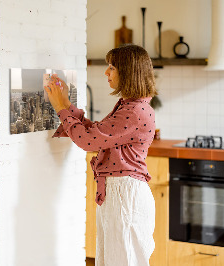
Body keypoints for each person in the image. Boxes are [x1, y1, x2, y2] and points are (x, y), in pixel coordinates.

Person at [45, 44, 157, 266]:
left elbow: (88, 141)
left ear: (128, 72)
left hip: (125, 195)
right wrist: (66, 104)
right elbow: (96, 133)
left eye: (112, 67)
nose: (106, 72)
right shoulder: (130, 106)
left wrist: (60, 107)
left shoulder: (134, 111)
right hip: (120, 193)